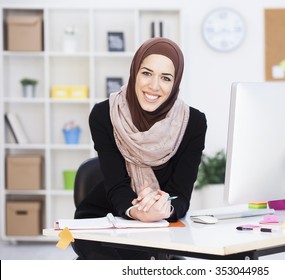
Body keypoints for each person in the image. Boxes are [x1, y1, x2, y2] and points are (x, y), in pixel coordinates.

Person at [72, 37, 207, 259]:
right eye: (146, 73)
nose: (154, 86)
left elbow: (181, 194)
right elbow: (116, 185)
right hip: (106, 217)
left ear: (175, 83)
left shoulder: (192, 123)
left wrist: (163, 209)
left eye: (165, 78)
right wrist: (137, 212)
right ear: (135, 72)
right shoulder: (105, 114)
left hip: (162, 222)